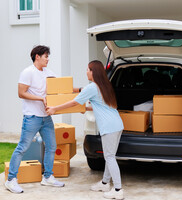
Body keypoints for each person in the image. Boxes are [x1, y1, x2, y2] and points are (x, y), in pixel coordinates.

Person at [46, 60, 125, 200]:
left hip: (110, 126)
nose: (86, 72)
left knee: (110, 157)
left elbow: (74, 102)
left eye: (88, 69)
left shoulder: (92, 87)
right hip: (116, 124)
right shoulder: (103, 86)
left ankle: (118, 190)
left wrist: (54, 109)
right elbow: (102, 106)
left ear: (93, 72)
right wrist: (85, 108)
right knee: (109, 156)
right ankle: (105, 183)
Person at [5, 45, 65, 194]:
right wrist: (40, 98)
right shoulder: (27, 72)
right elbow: (21, 93)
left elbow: (58, 89)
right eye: (46, 56)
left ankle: (48, 177)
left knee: (51, 146)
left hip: (46, 118)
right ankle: (11, 180)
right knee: (22, 148)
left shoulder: (49, 73)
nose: (48, 59)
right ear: (37, 57)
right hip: (32, 117)